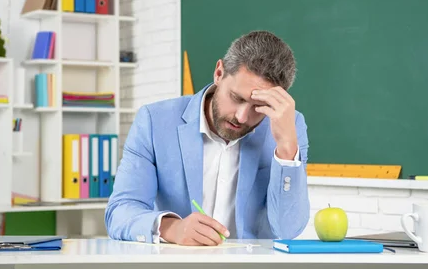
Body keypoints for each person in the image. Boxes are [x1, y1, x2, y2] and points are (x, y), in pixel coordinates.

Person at [105, 30, 309, 245]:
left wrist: (287, 150)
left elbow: (287, 230)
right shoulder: (154, 122)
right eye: (236, 98)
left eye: (258, 107)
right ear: (219, 73)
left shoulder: (289, 126)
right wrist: (171, 228)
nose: (242, 117)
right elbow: (119, 213)